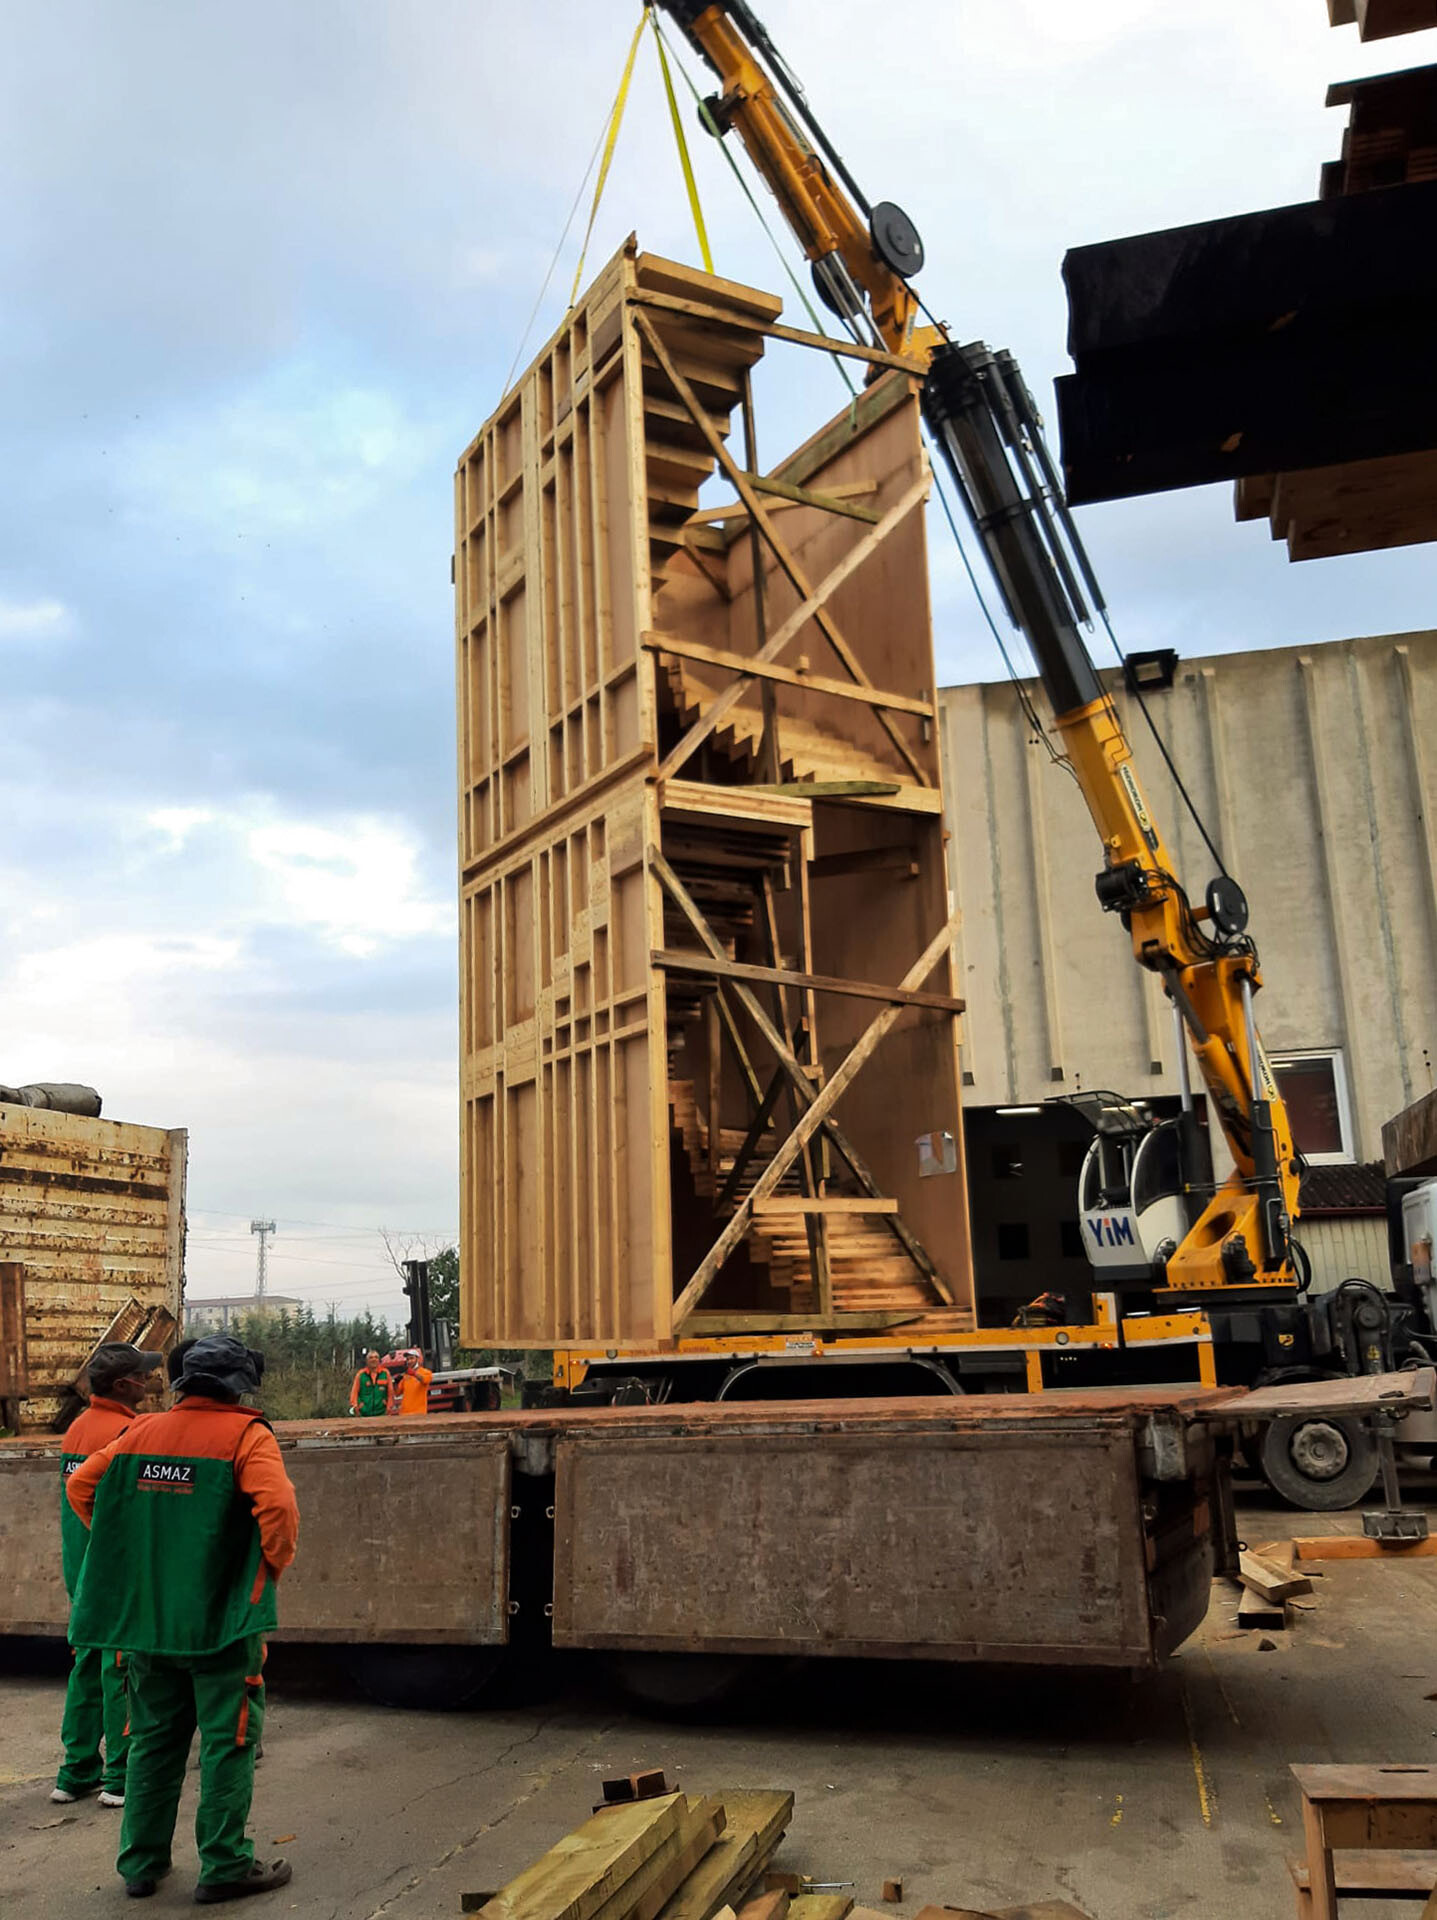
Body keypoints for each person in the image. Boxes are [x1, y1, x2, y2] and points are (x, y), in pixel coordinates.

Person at [66, 1333, 299, 1904]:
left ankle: (141, 1866)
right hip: (221, 1626)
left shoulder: (140, 1432)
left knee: (153, 1742)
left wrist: (137, 1552)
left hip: (148, 1623)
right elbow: (278, 1510)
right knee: (228, 1743)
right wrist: (265, 1568)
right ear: (239, 1385)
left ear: (182, 1384)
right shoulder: (247, 1436)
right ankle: (224, 1866)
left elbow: (81, 1484)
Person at [52, 1342, 164, 1809]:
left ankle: (76, 1771)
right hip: (116, 1575)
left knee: (86, 1667)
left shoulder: (76, 1429)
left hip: (82, 1573)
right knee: (120, 1671)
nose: (150, 1381)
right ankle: (120, 1776)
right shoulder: (129, 1432)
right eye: (143, 1375)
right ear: (123, 1386)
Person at [348, 1349, 393, 1417]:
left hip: (382, 1413)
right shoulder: (361, 1374)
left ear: (379, 1360)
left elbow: (390, 1393)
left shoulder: (385, 1373)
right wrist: (355, 1406)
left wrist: (389, 1407)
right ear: (367, 1361)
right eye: (371, 1357)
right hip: (364, 1413)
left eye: (376, 1357)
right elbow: (354, 1393)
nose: (373, 1359)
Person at [393, 1348, 433, 1417]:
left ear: (418, 1359)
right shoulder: (405, 1375)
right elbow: (397, 1393)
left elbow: (424, 1380)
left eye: (411, 1358)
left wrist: (414, 1373)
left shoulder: (426, 1372)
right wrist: (395, 1383)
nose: (409, 1361)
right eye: (407, 1359)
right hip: (404, 1413)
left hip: (419, 1412)